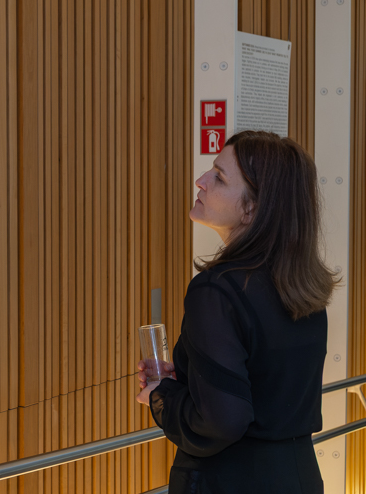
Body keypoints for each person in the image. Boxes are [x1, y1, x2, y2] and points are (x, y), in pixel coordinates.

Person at [136, 130, 337, 493]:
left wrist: (160, 394)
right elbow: (266, 385)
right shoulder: (303, 285)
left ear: (251, 209)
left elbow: (223, 421)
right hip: (299, 476)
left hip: (231, 480)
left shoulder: (217, 290)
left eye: (219, 177)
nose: (201, 181)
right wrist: (191, 378)